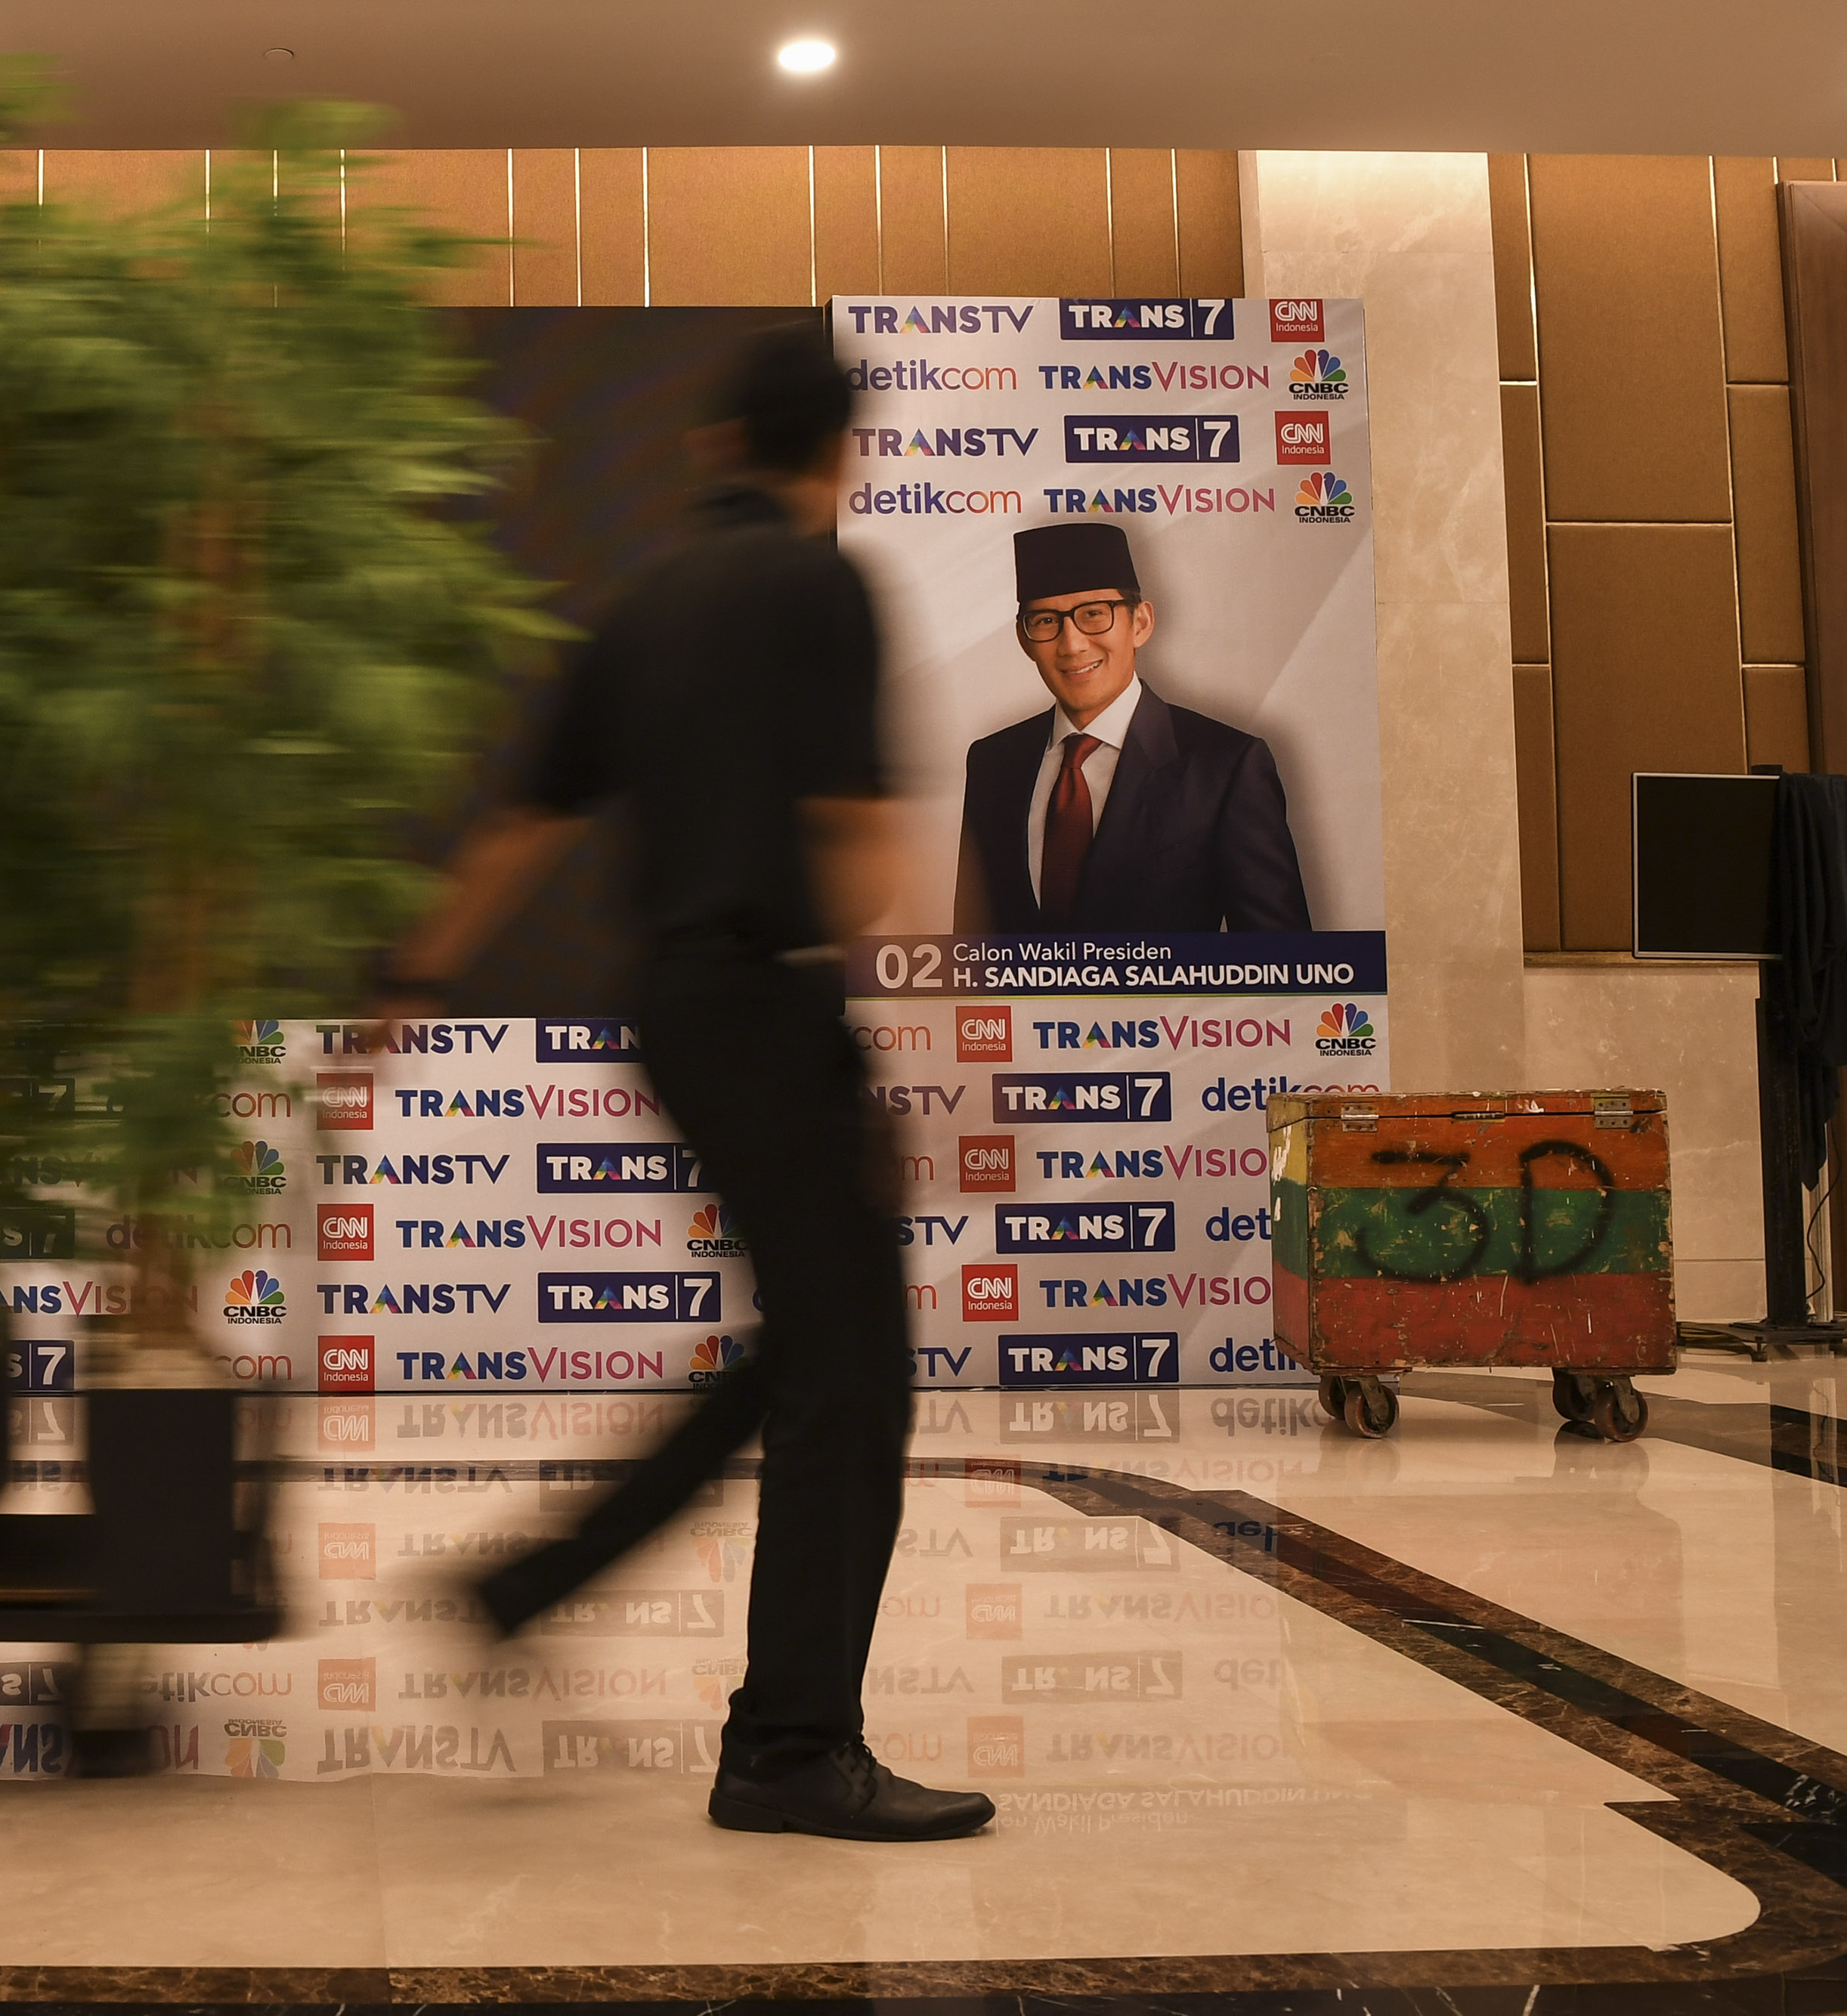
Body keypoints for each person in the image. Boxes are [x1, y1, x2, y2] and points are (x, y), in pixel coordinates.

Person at [375, 321, 991, 1844]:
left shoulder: (642, 598)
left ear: (717, 444)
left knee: (813, 1345)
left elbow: (522, 819)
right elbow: (853, 845)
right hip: (768, 1000)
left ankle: (537, 1579)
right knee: (853, 1375)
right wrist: (920, 1044)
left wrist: (411, 979)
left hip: (668, 1003)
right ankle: (790, 1746)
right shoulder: (821, 583)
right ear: (841, 453)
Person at [954, 521, 1310, 933]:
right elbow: (971, 944)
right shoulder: (994, 762)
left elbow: (1283, 958)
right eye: (1046, 621)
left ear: (1140, 623)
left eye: (1093, 615)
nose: (1072, 644)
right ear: (1024, 639)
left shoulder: (1225, 766)